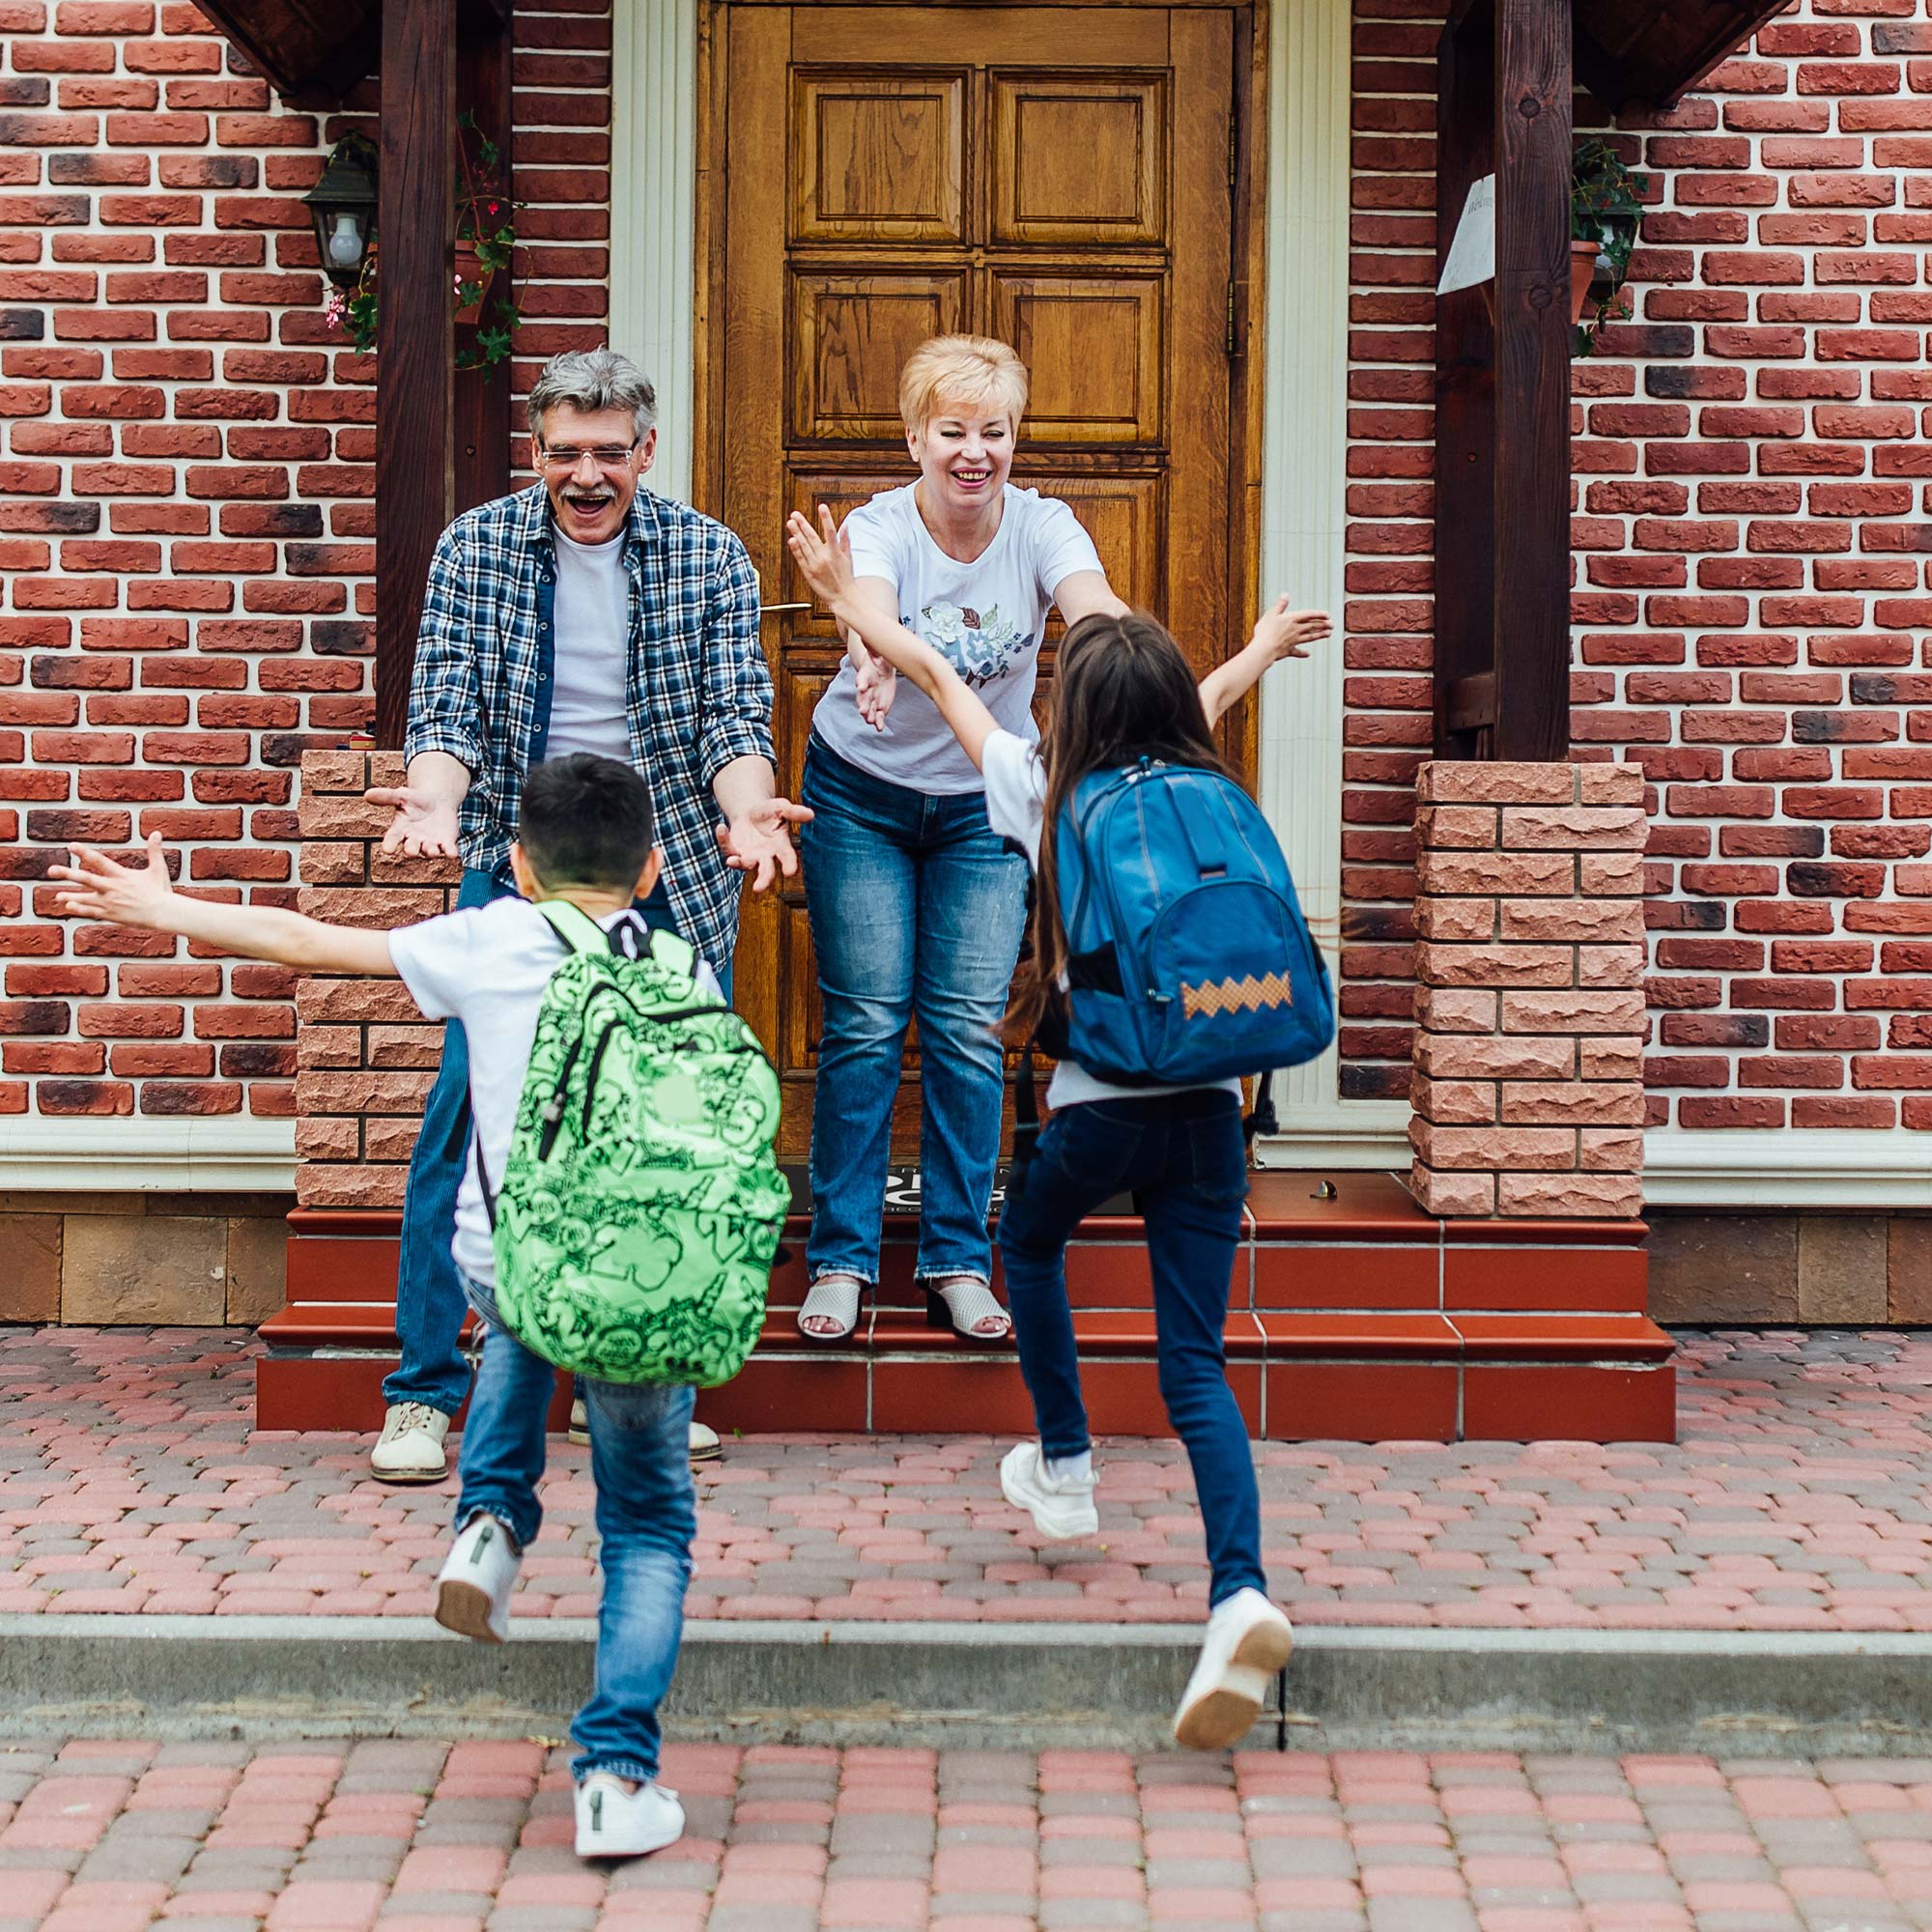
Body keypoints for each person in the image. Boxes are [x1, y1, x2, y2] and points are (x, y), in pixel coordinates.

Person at [54, 754, 708, 1861]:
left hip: (510, 1258)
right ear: (650, 869)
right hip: (638, 1275)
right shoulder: (684, 967)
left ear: (516, 866)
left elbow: (312, 944)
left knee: (513, 1327)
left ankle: (488, 1527)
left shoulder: (489, 938)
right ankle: (613, 1776)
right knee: (645, 1525)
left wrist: (166, 906)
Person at [786, 501, 1331, 1751]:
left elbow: (928, 667)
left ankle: (1069, 1463)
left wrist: (834, 598)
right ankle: (1239, 1590)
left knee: (1026, 1251)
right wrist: (1249, 650)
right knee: (1195, 1365)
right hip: (1209, 1114)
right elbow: (1207, 695)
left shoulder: (1039, 781)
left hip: (1094, 1110)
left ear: (1070, 708)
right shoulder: (1204, 772)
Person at [366, 348, 806, 1481]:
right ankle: (423, 1390)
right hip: (522, 867)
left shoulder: (706, 553)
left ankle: (629, 1382)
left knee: (654, 1136)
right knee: (468, 1122)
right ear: (537, 450)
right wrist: (433, 797)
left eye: (608, 452)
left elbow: (732, 722)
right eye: (564, 452)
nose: (586, 474)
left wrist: (750, 815)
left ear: (644, 451)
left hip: (664, 873)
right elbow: (446, 705)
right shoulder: (478, 547)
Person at [796, 333, 1130, 1345]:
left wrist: (1126, 660)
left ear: (1013, 440)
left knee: (965, 1027)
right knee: (863, 1020)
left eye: (993, 431)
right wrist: (869, 655)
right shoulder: (881, 523)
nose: (972, 450)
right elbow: (872, 605)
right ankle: (843, 1258)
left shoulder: (1041, 525)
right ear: (915, 439)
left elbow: (1092, 608)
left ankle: (954, 1255)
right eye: (951, 431)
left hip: (987, 804)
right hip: (861, 793)